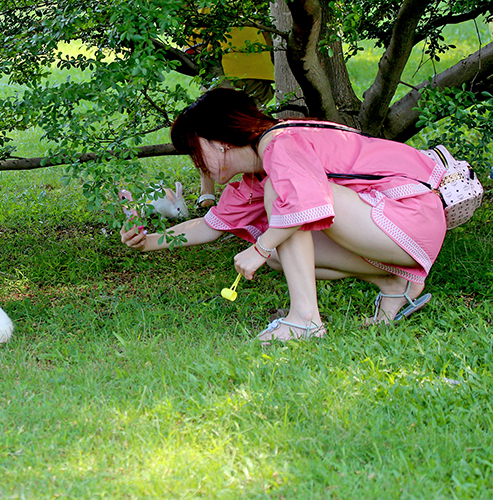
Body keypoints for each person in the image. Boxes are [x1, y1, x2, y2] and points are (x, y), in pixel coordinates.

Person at [121, 88, 447, 344]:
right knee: (281, 252)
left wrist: (259, 248)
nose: (196, 162)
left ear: (218, 142)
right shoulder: (259, 172)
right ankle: (393, 283)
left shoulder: (280, 143)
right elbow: (208, 226)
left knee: (285, 202)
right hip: (391, 224)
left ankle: (305, 320)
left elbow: (305, 201)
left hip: (410, 215)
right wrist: (145, 242)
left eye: (196, 150)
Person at [186, 26, 275, 209]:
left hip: (235, 62)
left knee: (214, 127)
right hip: (250, 61)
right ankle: (213, 190)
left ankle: (212, 191)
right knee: (246, 128)